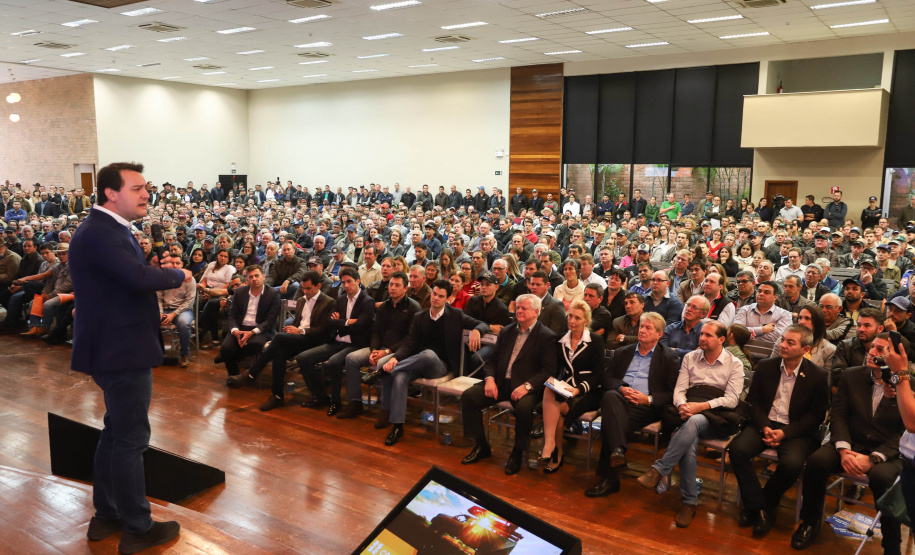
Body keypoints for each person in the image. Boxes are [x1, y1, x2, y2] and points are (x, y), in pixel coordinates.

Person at [69, 162, 192, 552]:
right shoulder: (101, 232)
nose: (146, 194)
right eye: (137, 188)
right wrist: (178, 275)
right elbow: (136, 278)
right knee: (131, 439)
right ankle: (138, 526)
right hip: (120, 350)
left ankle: (107, 513)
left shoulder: (106, 230)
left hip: (115, 345)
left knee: (115, 432)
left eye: (146, 188)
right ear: (110, 193)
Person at [791, 332, 906, 552]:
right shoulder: (852, 375)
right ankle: (809, 522)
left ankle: (892, 542)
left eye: (881, 350)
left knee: (883, 478)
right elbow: (839, 415)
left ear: (897, 356)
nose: (872, 352)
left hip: (886, 451)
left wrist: (873, 458)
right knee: (816, 461)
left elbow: (905, 432)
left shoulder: (905, 384)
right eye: (872, 347)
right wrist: (844, 450)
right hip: (851, 442)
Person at [637, 321, 744, 528]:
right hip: (688, 410)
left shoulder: (734, 363)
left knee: (694, 421)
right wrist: (683, 406)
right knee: (690, 442)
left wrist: (700, 407)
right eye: (701, 334)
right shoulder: (690, 357)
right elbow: (679, 389)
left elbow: (732, 400)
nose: (702, 338)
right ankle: (689, 503)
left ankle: (659, 470)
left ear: (721, 339)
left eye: (708, 335)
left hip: (717, 414)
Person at [728, 324, 829, 538]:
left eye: (790, 342)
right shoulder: (766, 366)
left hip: (796, 430)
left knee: (792, 464)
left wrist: (786, 433)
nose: (782, 345)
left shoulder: (817, 375)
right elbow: (753, 403)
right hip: (765, 422)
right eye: (782, 339)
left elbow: (816, 415)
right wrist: (764, 426)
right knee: (737, 450)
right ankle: (760, 507)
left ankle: (763, 502)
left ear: (805, 349)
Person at [378, 279, 487, 446]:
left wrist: (477, 331)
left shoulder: (456, 316)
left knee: (428, 354)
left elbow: (482, 324)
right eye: (434, 294)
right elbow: (410, 343)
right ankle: (397, 426)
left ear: (447, 298)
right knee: (399, 377)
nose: (435, 298)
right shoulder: (420, 316)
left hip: (441, 367)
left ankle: (383, 370)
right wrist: (395, 358)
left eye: (440, 296)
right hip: (417, 363)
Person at [460, 294, 557, 475]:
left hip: (526, 387)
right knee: (469, 396)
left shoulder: (546, 336)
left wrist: (527, 387)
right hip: (500, 382)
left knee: (524, 409)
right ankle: (481, 445)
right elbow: (492, 360)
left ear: (536, 312)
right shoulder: (507, 331)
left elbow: (548, 371)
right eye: (518, 307)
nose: (519, 311)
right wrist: (489, 380)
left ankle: (517, 452)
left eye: (524, 308)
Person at [585, 312, 680, 497]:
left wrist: (648, 399)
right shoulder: (623, 352)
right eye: (641, 327)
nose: (642, 330)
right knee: (612, 396)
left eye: (648, 328)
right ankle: (617, 455)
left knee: (611, 424)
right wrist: (621, 388)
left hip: (646, 407)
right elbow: (607, 378)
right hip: (619, 401)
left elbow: (673, 393)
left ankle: (610, 475)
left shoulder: (668, 357)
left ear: (659, 334)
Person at [227, 271, 335, 411]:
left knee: (278, 338)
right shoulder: (302, 300)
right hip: (300, 339)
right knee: (279, 354)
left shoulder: (329, 302)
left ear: (318, 286)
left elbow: (324, 331)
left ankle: (252, 373)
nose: (305, 291)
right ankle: (277, 396)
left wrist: (300, 331)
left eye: (309, 288)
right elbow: (298, 322)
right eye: (303, 288)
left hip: (316, 340)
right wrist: (292, 329)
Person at [338, 271, 421, 419]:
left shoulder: (414, 308)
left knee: (383, 363)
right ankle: (355, 402)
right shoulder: (383, 307)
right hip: (380, 348)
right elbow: (375, 332)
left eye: (397, 285)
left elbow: (411, 338)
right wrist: (374, 349)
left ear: (405, 288)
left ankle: (386, 408)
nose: (392, 288)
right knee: (351, 358)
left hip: (400, 352)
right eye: (391, 284)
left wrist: (388, 351)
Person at [297, 267, 375, 415]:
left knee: (334, 362)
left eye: (349, 282)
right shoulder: (340, 299)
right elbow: (329, 322)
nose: (345, 285)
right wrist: (347, 322)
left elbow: (361, 326)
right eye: (343, 282)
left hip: (355, 344)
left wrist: (340, 322)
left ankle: (336, 401)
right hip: (336, 341)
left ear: (358, 281)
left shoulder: (367, 301)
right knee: (303, 358)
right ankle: (319, 395)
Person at [539, 300, 605, 473]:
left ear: (586, 321)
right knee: (548, 388)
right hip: (566, 386)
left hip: (588, 392)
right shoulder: (560, 339)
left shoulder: (596, 340)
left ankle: (556, 452)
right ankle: (551, 445)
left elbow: (598, 375)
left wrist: (579, 389)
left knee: (557, 411)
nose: (572, 321)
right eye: (570, 316)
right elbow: (555, 369)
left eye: (577, 318)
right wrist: (553, 382)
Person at [217, 265, 281, 380]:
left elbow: (270, 320)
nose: (254, 279)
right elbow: (232, 315)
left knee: (254, 345)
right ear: (247, 279)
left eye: (257, 275)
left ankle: (240, 365)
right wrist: (235, 330)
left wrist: (252, 332)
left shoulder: (273, 293)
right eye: (250, 277)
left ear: (263, 276)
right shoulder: (240, 291)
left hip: (260, 329)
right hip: (240, 327)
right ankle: (233, 375)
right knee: (225, 348)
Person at [157, 252, 196, 367]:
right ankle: (156, 352)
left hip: (183, 310)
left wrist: (173, 314)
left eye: (177, 263)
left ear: (182, 264)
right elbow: (158, 298)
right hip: (164, 308)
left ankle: (184, 354)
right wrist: (159, 312)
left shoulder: (190, 279)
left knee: (184, 324)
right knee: (148, 320)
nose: (174, 266)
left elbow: (189, 301)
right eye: (171, 263)